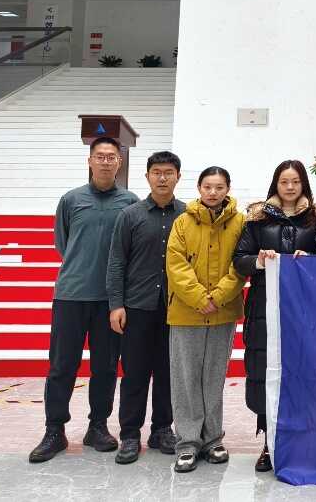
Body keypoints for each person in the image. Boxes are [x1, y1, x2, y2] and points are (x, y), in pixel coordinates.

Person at [29, 136, 138, 464]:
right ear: (90, 161)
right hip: (71, 296)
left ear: (119, 162)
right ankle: (54, 430)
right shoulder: (71, 199)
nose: (105, 161)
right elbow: (63, 243)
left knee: (106, 366)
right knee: (62, 366)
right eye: (100, 156)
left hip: (110, 300)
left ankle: (98, 426)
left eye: (111, 157)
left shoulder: (130, 202)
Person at [233, 160, 316, 473]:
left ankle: (303, 441)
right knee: (265, 370)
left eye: (295, 181)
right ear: (276, 184)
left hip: (304, 307)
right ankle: (268, 443)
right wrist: (258, 260)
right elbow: (239, 259)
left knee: (302, 371)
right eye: (284, 181)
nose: (290, 187)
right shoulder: (257, 220)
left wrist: (310, 259)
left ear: (303, 184)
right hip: (263, 305)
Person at [106, 151, 184, 464]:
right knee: (135, 373)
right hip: (137, 307)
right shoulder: (130, 215)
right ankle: (129, 434)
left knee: (168, 372)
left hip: (175, 308)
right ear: (148, 176)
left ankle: (162, 429)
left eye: (168, 172)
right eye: (156, 172)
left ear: (178, 176)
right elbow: (116, 261)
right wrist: (116, 305)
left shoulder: (187, 215)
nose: (162, 178)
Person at [166, 166, 245, 473]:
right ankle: (187, 442)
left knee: (213, 377)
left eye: (219, 187)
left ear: (228, 189)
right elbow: (176, 265)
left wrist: (219, 296)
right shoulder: (183, 222)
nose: (213, 192)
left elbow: (240, 264)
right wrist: (201, 298)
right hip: (187, 312)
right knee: (185, 379)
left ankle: (212, 439)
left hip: (223, 312)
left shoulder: (240, 222)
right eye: (208, 187)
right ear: (199, 188)